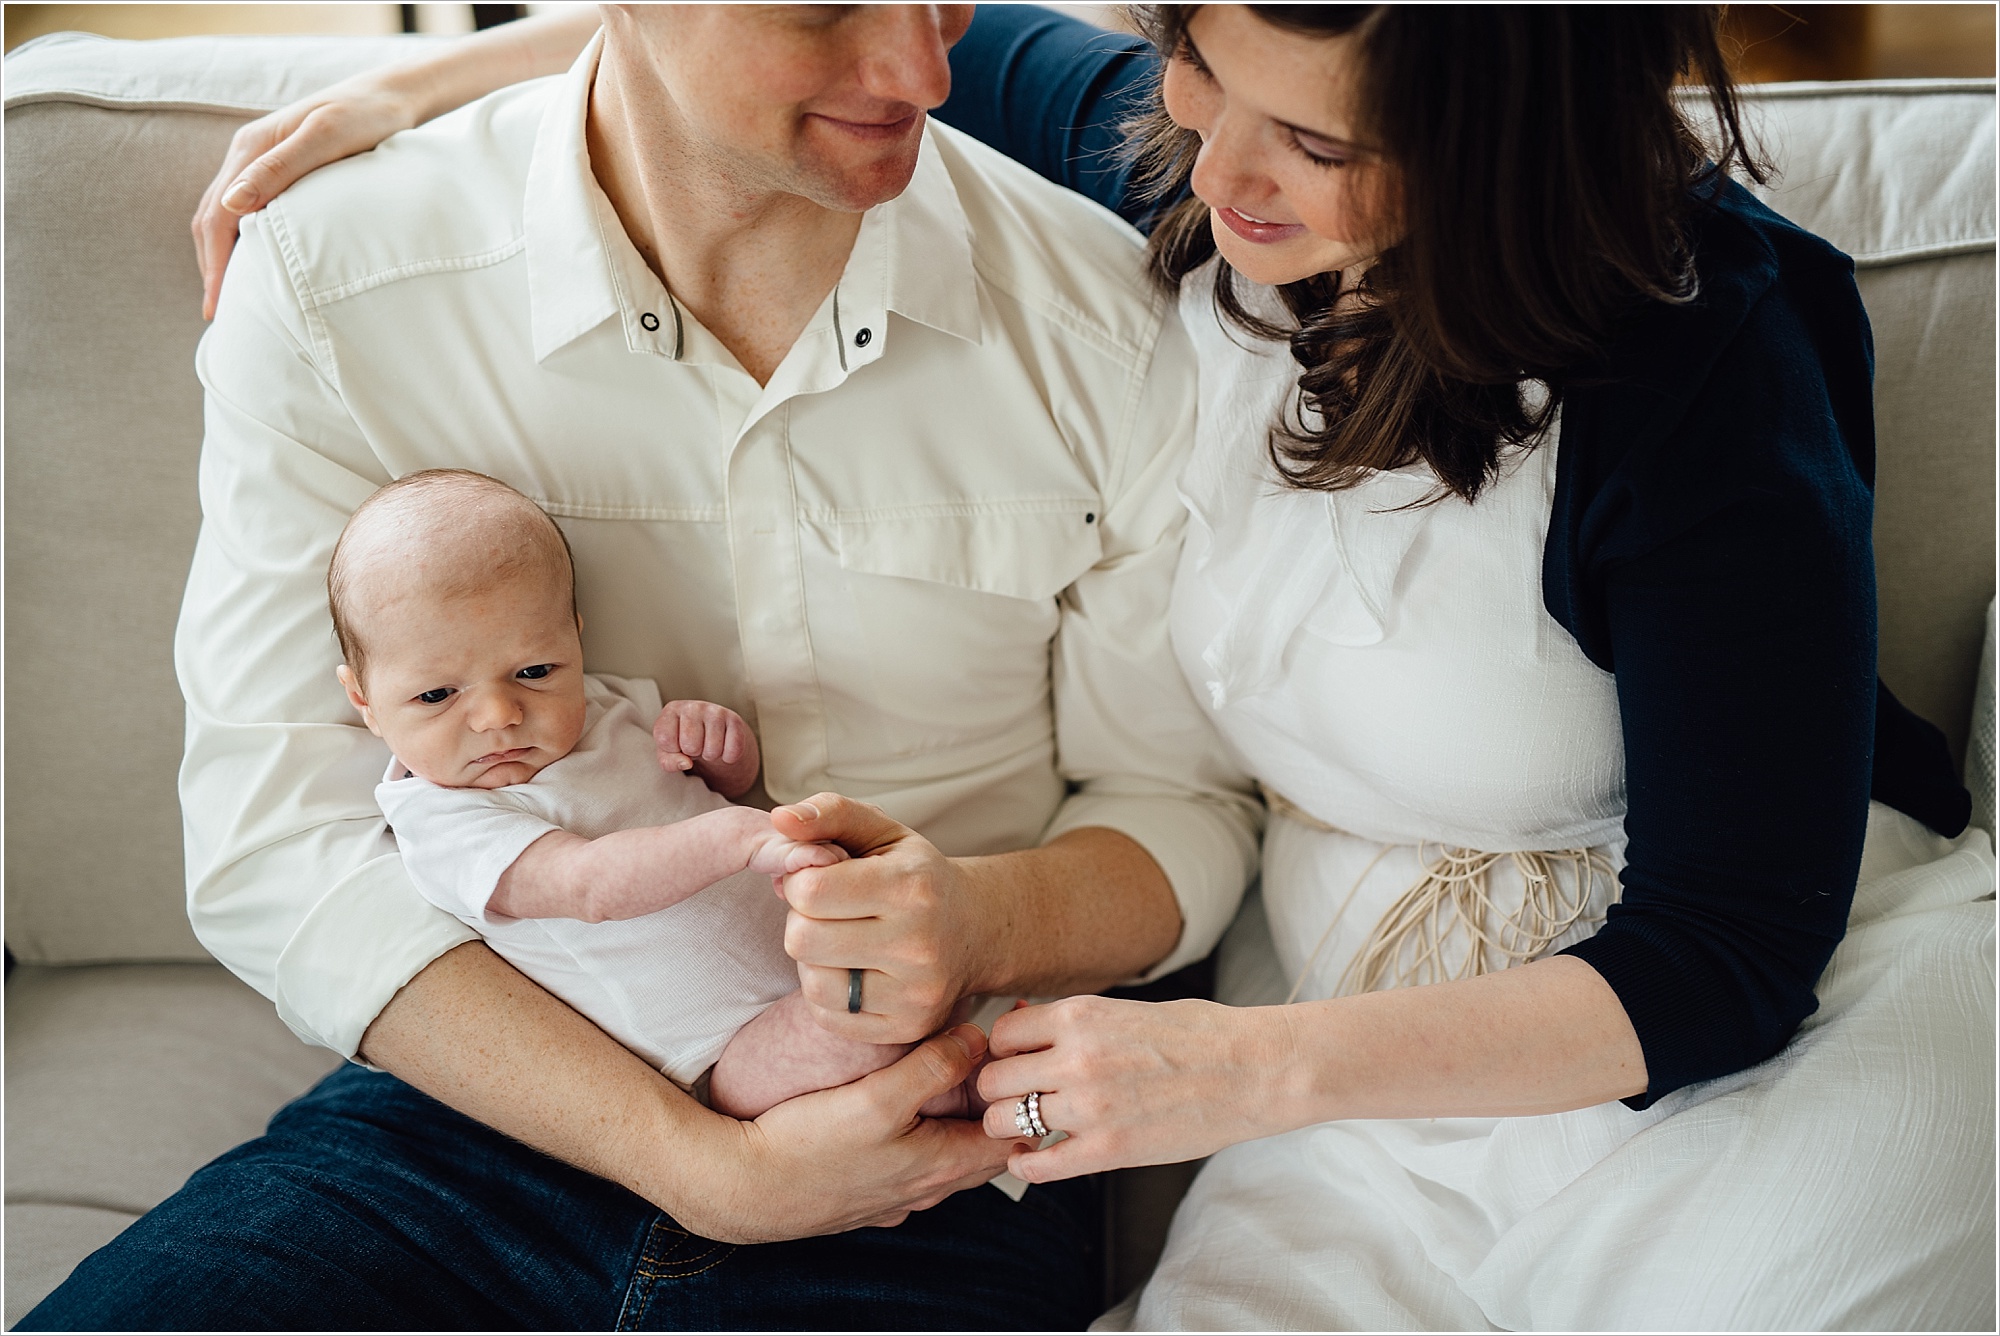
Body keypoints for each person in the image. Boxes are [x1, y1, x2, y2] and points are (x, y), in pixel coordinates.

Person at [174, 3, 1993, 1330]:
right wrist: (435, 77)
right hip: (1355, 1046)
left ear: (1496, 139)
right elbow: (809, 67)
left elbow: (1730, 955)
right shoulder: (1196, 145)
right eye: (1204, 78)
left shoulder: (1710, 344)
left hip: (1740, 1030)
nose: (1212, 175)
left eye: (1323, 148)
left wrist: (1223, 1071)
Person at [23, 6, 1262, 1330]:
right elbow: (278, 838)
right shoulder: (338, 282)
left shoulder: (1114, 324)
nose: (921, 73)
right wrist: (703, 1164)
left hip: (929, 1115)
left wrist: (980, 920)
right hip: (487, 1083)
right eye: (827, 7)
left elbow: (1178, 806)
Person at [330, 467, 979, 1121]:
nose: (498, 714)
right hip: (721, 1052)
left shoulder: (605, 705)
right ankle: (968, 1094)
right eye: (437, 694)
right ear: (365, 702)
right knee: (861, 1038)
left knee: (911, 975)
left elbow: (720, 787)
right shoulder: (443, 821)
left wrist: (719, 749)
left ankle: (979, 1074)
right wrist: (739, 838)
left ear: (575, 639)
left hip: (813, 953)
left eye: (534, 670)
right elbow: (591, 885)